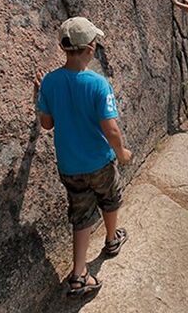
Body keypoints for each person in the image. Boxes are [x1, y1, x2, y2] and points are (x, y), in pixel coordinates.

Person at [34, 17, 133, 296]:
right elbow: (111, 128)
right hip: (100, 162)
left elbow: (47, 124)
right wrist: (122, 152)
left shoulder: (50, 82)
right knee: (110, 198)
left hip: (69, 166)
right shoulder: (98, 84)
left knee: (81, 214)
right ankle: (112, 240)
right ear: (90, 48)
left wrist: (39, 94)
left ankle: (78, 275)